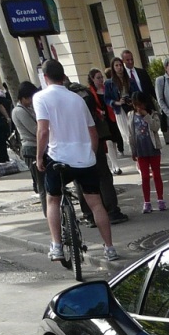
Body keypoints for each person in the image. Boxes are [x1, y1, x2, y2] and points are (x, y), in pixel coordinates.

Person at [33, 59, 117, 263]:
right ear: (63, 77)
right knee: (96, 203)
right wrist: (90, 153)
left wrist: (38, 157)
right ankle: (109, 248)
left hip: (58, 158)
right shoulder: (77, 99)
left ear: (45, 78)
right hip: (84, 159)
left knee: (52, 199)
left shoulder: (40, 97)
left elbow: (43, 131)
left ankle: (57, 245)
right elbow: (93, 132)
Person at [67, 75, 129, 225]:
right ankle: (112, 211)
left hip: (76, 143)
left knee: (80, 180)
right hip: (94, 139)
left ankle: (89, 215)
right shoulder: (83, 93)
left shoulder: (65, 97)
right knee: (103, 176)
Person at [127, 92, 165, 213]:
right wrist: (133, 150)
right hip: (140, 150)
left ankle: (160, 200)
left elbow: (156, 127)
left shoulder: (153, 114)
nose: (139, 107)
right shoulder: (131, 115)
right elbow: (131, 134)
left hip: (153, 149)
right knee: (144, 177)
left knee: (157, 175)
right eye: (136, 105)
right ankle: (147, 202)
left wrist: (147, 116)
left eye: (141, 104)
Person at [87, 68, 124, 174]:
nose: (101, 79)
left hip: (111, 116)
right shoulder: (90, 91)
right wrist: (99, 111)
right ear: (92, 79)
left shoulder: (106, 88)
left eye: (101, 77)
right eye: (98, 78)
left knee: (113, 142)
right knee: (108, 142)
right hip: (100, 120)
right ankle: (116, 166)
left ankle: (113, 165)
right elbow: (92, 106)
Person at [11, 81, 42, 201]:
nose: (32, 100)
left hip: (37, 145)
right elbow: (34, 129)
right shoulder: (19, 111)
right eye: (30, 98)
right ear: (23, 97)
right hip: (31, 147)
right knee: (42, 185)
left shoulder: (29, 108)